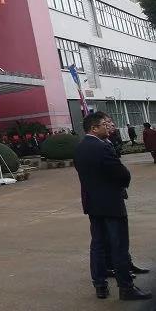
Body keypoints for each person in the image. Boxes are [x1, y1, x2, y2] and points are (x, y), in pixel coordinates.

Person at [74, 111, 151, 301]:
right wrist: (122, 183)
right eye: (104, 124)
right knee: (119, 246)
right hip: (111, 204)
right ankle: (126, 287)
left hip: (93, 204)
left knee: (98, 246)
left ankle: (100, 285)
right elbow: (121, 174)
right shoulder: (102, 147)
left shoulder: (80, 148)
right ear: (94, 128)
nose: (108, 127)